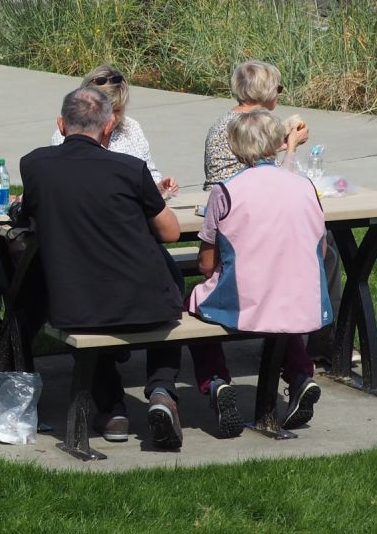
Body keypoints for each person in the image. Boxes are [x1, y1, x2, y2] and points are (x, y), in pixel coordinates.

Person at [17, 86, 187, 450]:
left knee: (97, 297)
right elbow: (171, 232)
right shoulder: (130, 169)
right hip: (149, 306)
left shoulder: (34, 166)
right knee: (172, 283)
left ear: (61, 125)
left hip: (74, 306)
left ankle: (112, 410)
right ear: (109, 127)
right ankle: (160, 389)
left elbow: (28, 213)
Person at [188, 111, 330, 435]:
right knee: (280, 301)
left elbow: (206, 264)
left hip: (245, 304)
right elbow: (320, 250)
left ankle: (216, 382)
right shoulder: (305, 186)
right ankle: (299, 375)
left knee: (192, 306)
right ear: (277, 143)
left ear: (236, 148)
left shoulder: (225, 191)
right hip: (302, 298)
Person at [50, 64, 177, 198]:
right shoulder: (65, 136)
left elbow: (148, 172)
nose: (113, 117)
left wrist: (159, 186)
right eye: (107, 110)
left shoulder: (132, 128)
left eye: (118, 110)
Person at [203, 59, 309, 188]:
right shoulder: (251, 124)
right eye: (278, 89)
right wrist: (293, 145)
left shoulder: (227, 120)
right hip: (238, 196)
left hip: (220, 192)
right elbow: (280, 181)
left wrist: (278, 144)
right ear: (266, 91)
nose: (278, 94)